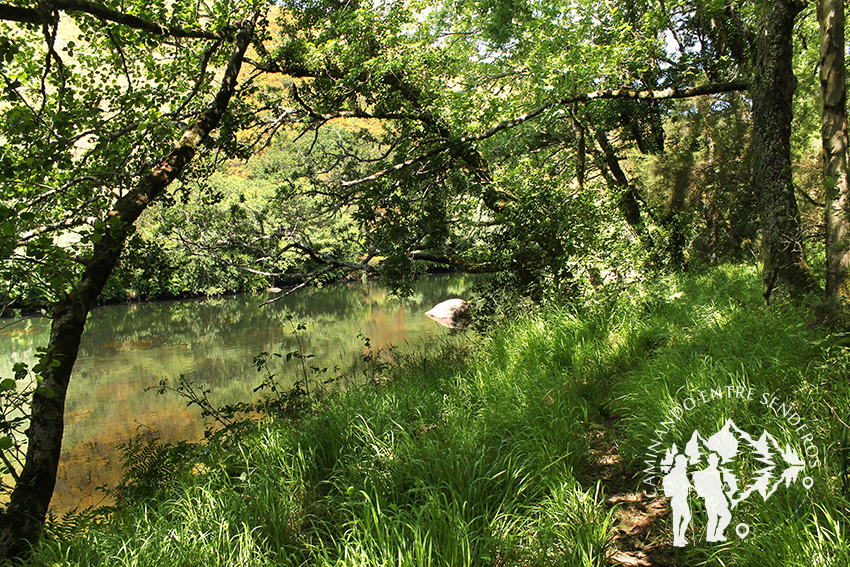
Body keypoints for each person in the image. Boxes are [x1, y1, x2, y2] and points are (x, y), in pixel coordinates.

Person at [692, 452, 732, 541]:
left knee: (725, 516)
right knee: (713, 518)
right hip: (711, 498)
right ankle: (711, 537)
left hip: (718, 497)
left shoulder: (717, 472)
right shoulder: (706, 472)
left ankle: (717, 534)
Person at [662, 453, 692, 547]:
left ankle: (681, 537)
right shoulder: (671, 477)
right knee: (677, 520)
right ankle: (676, 540)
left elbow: (687, 486)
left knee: (687, 517)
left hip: (683, 499)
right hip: (677, 500)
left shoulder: (683, 475)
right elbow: (668, 493)